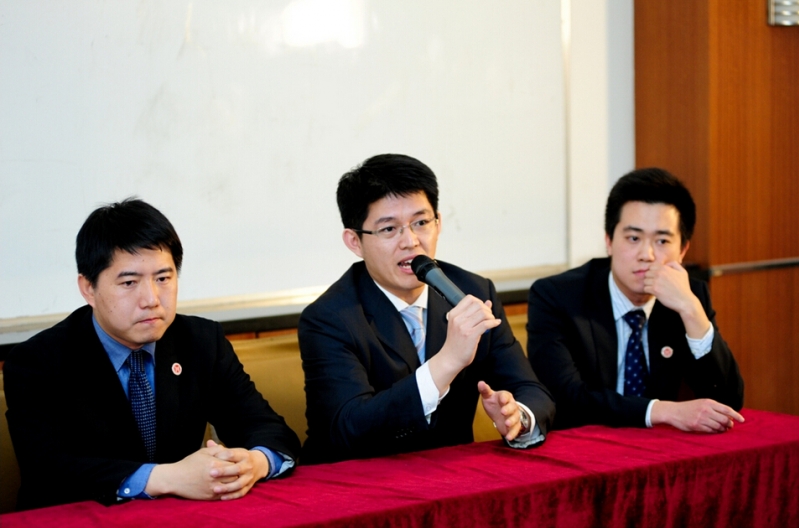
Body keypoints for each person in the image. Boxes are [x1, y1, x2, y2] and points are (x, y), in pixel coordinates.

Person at [4, 199, 300, 511]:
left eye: (163, 278)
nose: (151, 299)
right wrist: (167, 478)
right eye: (129, 282)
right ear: (88, 288)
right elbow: (49, 470)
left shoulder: (201, 341)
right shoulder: (38, 361)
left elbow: (270, 430)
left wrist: (254, 462)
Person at [299, 153, 555, 464]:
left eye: (421, 223)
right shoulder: (329, 319)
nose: (410, 241)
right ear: (354, 241)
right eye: (389, 229)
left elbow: (530, 389)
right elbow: (349, 429)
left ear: (438, 223)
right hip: (361, 481)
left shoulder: (472, 292)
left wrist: (518, 417)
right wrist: (447, 361)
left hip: (452, 475)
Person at [527, 168, 744, 432]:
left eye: (662, 241)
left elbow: (727, 401)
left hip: (659, 449)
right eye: (633, 238)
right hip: (584, 446)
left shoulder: (689, 297)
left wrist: (690, 310)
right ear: (609, 241)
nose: (647, 255)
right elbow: (564, 397)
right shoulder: (556, 297)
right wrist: (662, 411)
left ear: (683, 250)